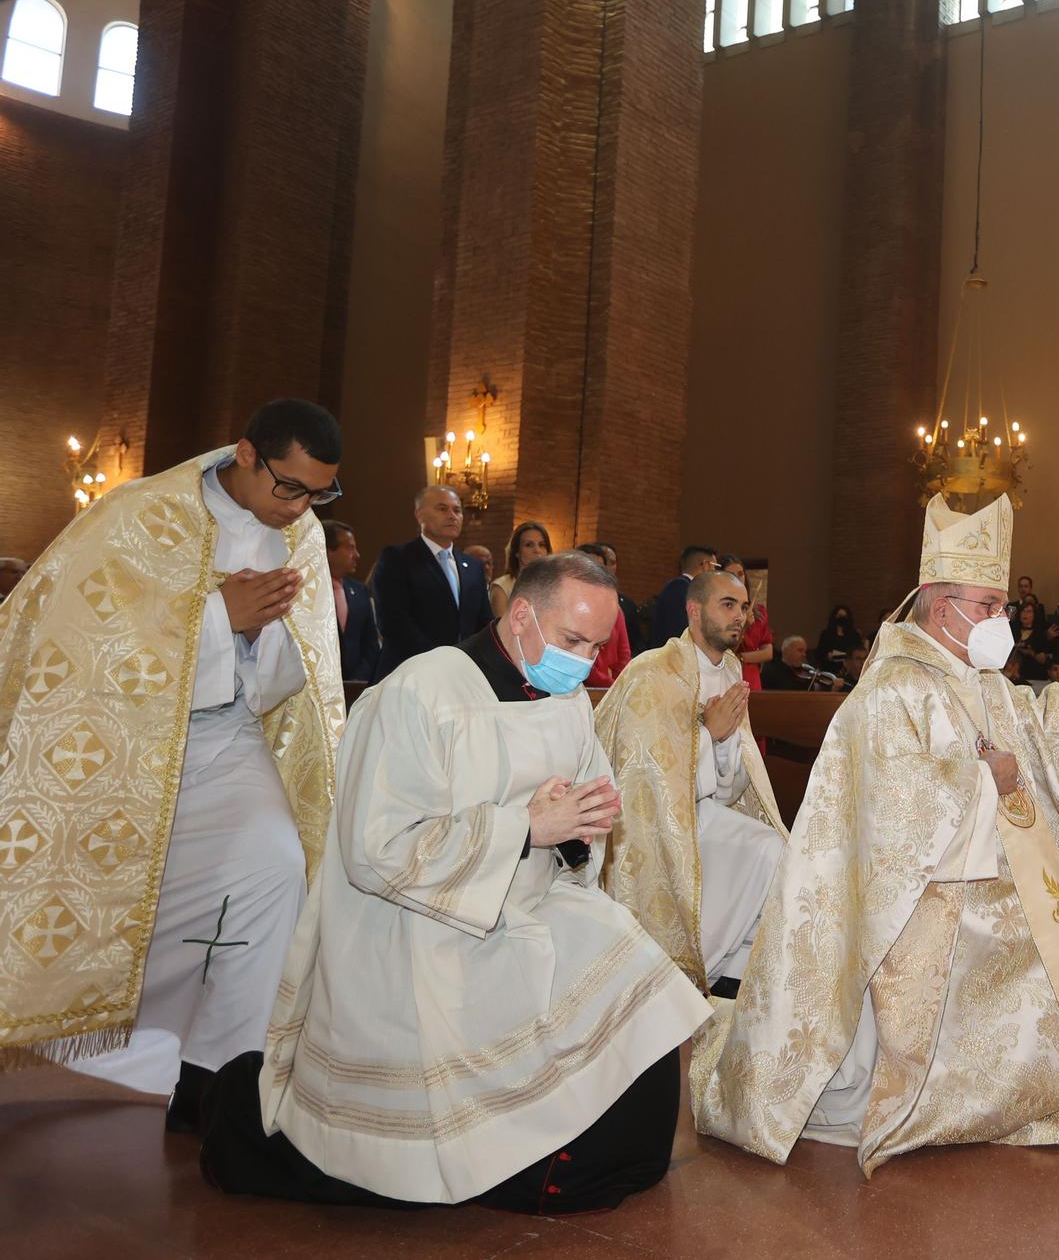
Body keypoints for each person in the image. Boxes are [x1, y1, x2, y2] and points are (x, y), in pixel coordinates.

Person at [693, 495, 1059, 1176]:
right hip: (924, 903)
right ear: (941, 607)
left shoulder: (981, 678)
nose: (1001, 621)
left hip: (997, 873)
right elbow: (892, 812)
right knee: (1021, 960)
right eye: (989, 605)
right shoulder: (891, 690)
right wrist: (983, 782)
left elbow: (1042, 729)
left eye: (1004, 606)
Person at [201, 552, 710, 1211]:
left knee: (639, 971)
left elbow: (580, 831)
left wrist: (580, 829)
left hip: (521, 907)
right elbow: (374, 849)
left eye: (597, 645)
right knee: (437, 1154)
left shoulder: (569, 703)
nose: (584, 663)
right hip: (419, 928)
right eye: (572, 641)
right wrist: (523, 826)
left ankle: (571, 1149)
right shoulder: (422, 692)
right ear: (521, 615)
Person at [0, 400, 346, 1130]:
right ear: (248, 454)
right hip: (123, 750)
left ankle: (221, 1074)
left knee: (275, 869)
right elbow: (82, 641)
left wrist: (253, 639)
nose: (301, 508)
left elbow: (296, 677)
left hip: (226, 738)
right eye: (291, 487)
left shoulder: (303, 535)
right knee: (86, 897)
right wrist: (219, 619)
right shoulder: (138, 513)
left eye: (319, 493)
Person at [597, 569, 789, 995]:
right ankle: (680, 979)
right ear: (693, 610)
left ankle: (718, 972)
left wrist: (719, 744)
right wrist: (710, 735)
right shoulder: (654, 671)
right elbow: (641, 770)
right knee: (765, 851)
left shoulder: (732, 670)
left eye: (743, 608)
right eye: (727, 605)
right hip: (651, 825)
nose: (739, 616)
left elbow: (729, 786)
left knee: (773, 851)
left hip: (704, 811)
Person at [370, 486, 491, 680]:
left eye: (457, 510)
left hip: (460, 673)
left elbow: (483, 623)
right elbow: (393, 621)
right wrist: (439, 659)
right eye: (442, 509)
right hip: (409, 672)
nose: (452, 516)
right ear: (419, 515)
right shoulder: (398, 558)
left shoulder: (473, 567)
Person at [324, 519, 380, 683]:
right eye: (350, 548)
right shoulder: (305, 592)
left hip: (356, 688)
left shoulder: (360, 591)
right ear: (327, 550)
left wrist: (357, 679)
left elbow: (370, 643)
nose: (357, 555)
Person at [571, 545, 633, 688]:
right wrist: (609, 684)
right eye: (590, 568)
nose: (596, 574)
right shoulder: (572, 607)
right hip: (579, 687)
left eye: (600, 568)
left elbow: (624, 654)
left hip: (609, 688)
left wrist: (618, 685)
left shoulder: (614, 609)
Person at [720, 554, 772, 689]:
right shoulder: (720, 609)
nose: (738, 578)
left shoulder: (759, 611)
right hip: (728, 676)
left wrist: (741, 658)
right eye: (731, 575)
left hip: (751, 677)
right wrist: (744, 625)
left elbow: (768, 652)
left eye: (740, 574)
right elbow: (725, 652)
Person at [650, 545, 716, 649]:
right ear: (705, 565)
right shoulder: (678, 588)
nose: (715, 572)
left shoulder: (685, 588)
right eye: (714, 566)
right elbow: (679, 631)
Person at [590, 540, 649, 650]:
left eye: (612, 562)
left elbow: (636, 643)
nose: (606, 567)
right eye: (603, 562)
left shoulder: (627, 605)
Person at [488, 522, 551, 620]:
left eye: (542, 545)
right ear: (517, 552)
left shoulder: (553, 584)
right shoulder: (502, 587)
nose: (537, 550)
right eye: (529, 545)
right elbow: (502, 632)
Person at [1010, 600, 1053, 683]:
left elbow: (1043, 658)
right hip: (1015, 676)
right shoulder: (1014, 630)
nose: (1025, 614)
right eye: (1023, 611)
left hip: (1034, 673)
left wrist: (1031, 653)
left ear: (1034, 615)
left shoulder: (1041, 633)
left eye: (1029, 612)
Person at [815, 603, 864, 671]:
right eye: (840, 616)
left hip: (850, 669)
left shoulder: (854, 634)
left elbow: (859, 650)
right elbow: (819, 653)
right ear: (835, 617)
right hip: (830, 668)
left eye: (844, 616)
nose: (842, 618)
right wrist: (827, 655)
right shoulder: (826, 634)